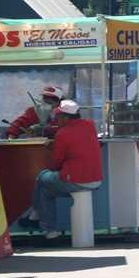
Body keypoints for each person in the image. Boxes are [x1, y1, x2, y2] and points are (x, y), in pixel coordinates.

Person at [19, 100, 102, 239]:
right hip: (96, 180)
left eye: (58, 117)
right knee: (45, 192)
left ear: (65, 117)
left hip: (75, 180)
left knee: (42, 176)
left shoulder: (62, 134)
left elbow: (55, 164)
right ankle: (50, 232)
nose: (56, 119)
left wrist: (53, 147)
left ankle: (35, 215)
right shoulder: (90, 125)